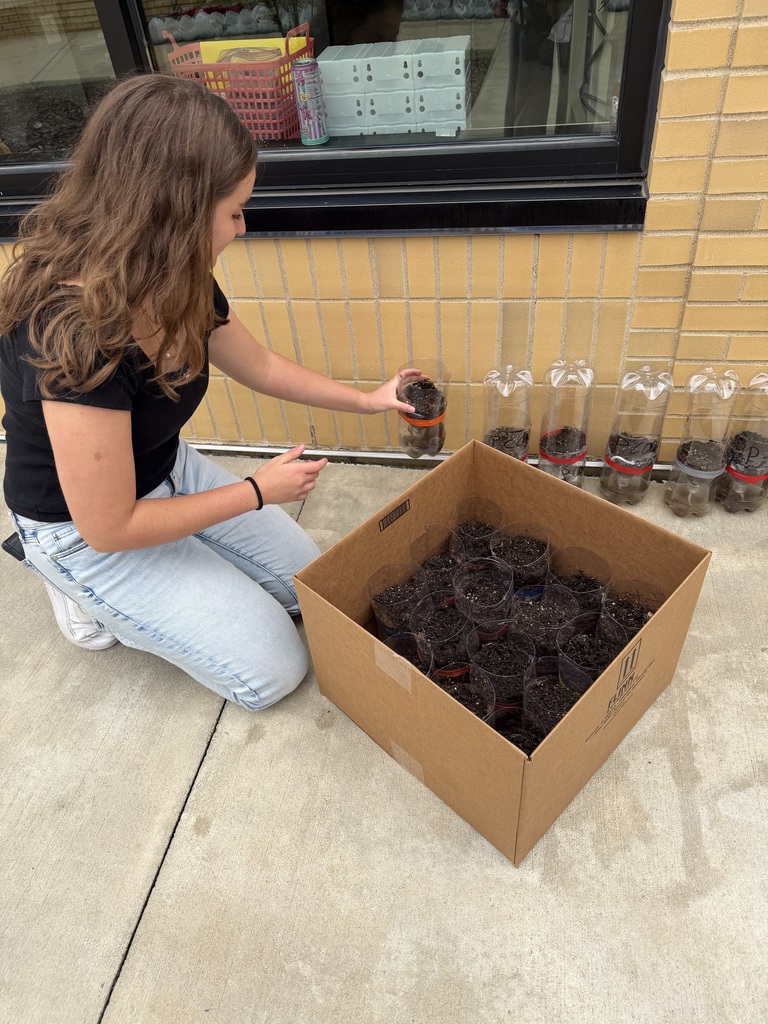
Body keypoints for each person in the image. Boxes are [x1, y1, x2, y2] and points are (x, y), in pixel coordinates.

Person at [0, 74, 416, 712]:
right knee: (274, 671)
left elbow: (263, 367)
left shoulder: (174, 279)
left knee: (313, 589)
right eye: (232, 212)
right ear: (172, 217)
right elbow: (110, 525)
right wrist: (254, 493)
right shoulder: (72, 340)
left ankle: (180, 560)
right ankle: (66, 581)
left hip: (165, 469)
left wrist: (369, 399)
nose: (242, 228)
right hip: (83, 528)